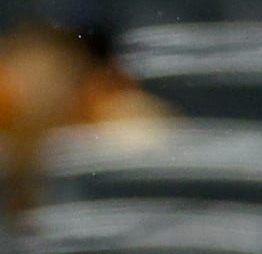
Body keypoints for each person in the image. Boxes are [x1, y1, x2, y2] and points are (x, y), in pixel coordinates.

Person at [0, 15, 174, 216]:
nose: (33, 77)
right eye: (21, 52)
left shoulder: (118, 117)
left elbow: (155, 143)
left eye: (59, 59)